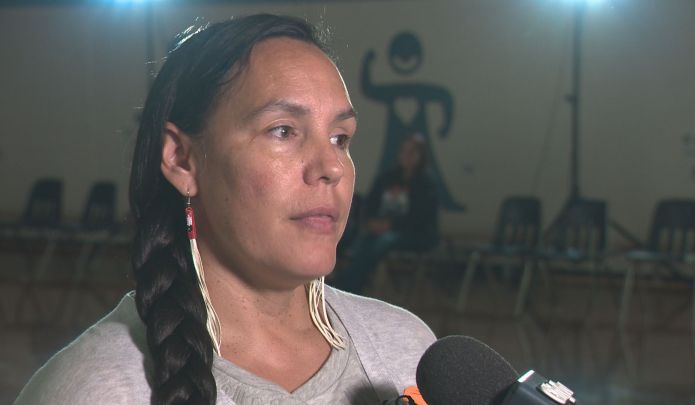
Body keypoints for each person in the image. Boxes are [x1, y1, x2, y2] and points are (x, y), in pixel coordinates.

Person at [14, 14, 435, 405]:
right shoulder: (96, 389)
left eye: (340, 138)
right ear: (181, 159)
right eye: (283, 131)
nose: (331, 167)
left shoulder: (409, 353)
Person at [334, 135, 440, 295]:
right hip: (380, 230)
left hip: (414, 234)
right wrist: (372, 221)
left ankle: (347, 286)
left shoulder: (426, 184)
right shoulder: (388, 178)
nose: (407, 155)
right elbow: (370, 204)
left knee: (381, 241)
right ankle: (340, 282)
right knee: (356, 237)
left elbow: (421, 217)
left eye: (412, 152)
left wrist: (391, 225)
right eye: (404, 151)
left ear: (421, 156)